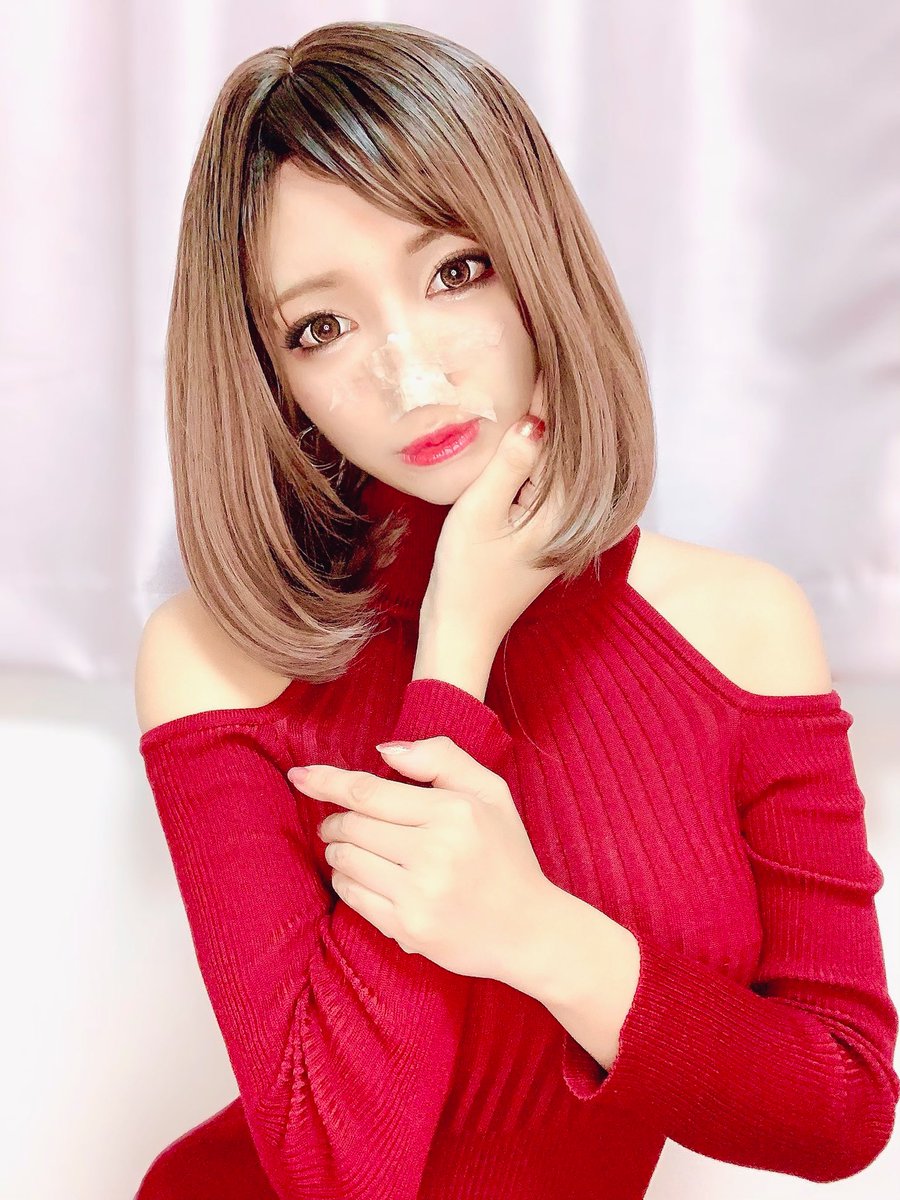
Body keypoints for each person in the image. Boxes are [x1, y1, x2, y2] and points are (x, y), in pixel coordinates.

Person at [132, 19, 899, 1200]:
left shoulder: (741, 628)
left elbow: (841, 1107)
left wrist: (532, 932)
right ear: (271, 375)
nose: (411, 373)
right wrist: (455, 653)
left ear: (536, 256)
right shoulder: (215, 659)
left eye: (454, 270)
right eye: (321, 327)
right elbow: (334, 1173)